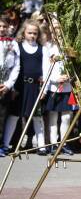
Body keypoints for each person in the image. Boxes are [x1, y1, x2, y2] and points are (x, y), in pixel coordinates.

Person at [2, 19, 50, 156]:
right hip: (20, 87)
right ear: (24, 32)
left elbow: (46, 70)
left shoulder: (43, 49)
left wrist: (44, 89)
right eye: (29, 33)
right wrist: (11, 87)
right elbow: (13, 67)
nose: (32, 36)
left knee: (37, 116)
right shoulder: (17, 46)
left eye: (35, 33)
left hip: (35, 86)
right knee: (14, 115)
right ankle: (6, 145)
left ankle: (41, 146)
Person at [43, 19, 74, 155]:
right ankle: (54, 144)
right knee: (53, 117)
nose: (57, 32)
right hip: (54, 88)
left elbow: (75, 66)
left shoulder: (69, 47)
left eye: (59, 29)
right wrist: (55, 79)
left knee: (67, 117)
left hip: (67, 87)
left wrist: (70, 76)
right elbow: (45, 69)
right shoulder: (48, 48)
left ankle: (64, 143)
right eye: (54, 29)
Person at [0, 15, 20, 157]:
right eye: (0, 26)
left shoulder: (13, 43)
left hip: (4, 85)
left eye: (4, 26)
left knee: (2, 117)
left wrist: (8, 85)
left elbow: (16, 67)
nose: (2, 29)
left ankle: (1, 145)